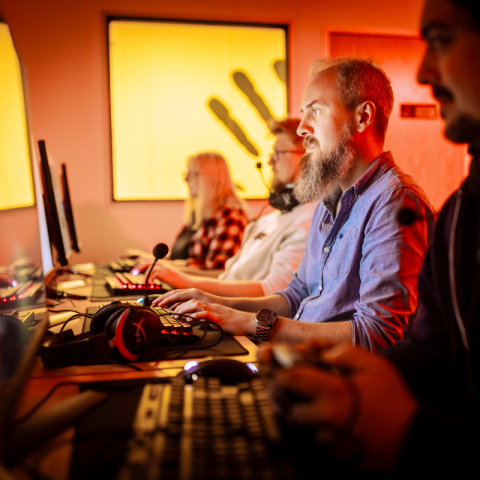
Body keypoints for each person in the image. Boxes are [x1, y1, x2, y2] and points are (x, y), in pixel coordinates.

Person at [258, 0, 480, 474]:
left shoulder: (400, 205)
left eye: (441, 39)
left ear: (361, 119)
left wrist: (261, 326)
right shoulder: (464, 207)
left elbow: (382, 333)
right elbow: (434, 353)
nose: (423, 71)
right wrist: (339, 377)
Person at [155, 57, 435, 352]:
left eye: (315, 111)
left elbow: (378, 334)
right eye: (304, 114)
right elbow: (295, 295)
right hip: (297, 358)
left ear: (363, 117)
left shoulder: (393, 201)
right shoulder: (330, 202)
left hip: (339, 380)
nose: (302, 128)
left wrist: (252, 324)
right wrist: (214, 302)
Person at [143, 118, 317, 297]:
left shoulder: (310, 219)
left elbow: (277, 292)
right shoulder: (268, 220)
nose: (270, 161)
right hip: (218, 306)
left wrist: (189, 283)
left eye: (278, 153)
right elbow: (227, 275)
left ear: (308, 155)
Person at [134, 152, 248, 273]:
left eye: (192, 173)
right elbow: (186, 260)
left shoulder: (230, 216)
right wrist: (149, 259)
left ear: (210, 178)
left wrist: (164, 268)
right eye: (186, 173)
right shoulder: (202, 215)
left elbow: (219, 272)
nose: (185, 179)